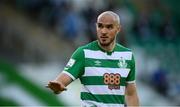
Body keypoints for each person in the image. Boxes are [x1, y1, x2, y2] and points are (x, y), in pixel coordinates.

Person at [46, 11, 139, 107]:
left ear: (118, 29)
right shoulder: (83, 53)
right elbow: (61, 80)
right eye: (100, 26)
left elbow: (131, 94)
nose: (103, 31)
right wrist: (57, 87)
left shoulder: (127, 55)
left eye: (109, 27)